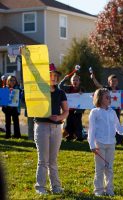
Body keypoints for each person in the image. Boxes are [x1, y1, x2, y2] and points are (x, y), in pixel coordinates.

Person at [34, 64, 69, 195]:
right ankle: (41, 188)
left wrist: (59, 117)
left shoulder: (60, 92)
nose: (53, 77)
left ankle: (56, 187)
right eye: (50, 75)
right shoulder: (39, 90)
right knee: (43, 160)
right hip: (41, 127)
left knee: (53, 160)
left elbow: (66, 111)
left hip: (56, 128)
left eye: (55, 75)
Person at [88, 88, 123, 197]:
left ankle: (109, 189)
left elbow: (118, 128)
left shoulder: (112, 112)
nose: (110, 99)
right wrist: (92, 145)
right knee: (100, 168)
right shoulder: (94, 112)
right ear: (100, 98)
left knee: (109, 167)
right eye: (107, 97)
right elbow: (92, 130)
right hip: (99, 143)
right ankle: (98, 190)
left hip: (111, 144)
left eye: (109, 97)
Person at [58, 73, 85, 141]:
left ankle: (79, 136)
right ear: (71, 81)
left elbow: (85, 98)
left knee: (78, 123)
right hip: (69, 110)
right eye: (73, 80)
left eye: (76, 80)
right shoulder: (68, 88)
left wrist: (82, 94)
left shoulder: (82, 89)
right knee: (69, 123)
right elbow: (60, 86)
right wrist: (64, 79)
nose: (75, 82)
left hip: (78, 110)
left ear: (79, 81)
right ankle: (70, 136)